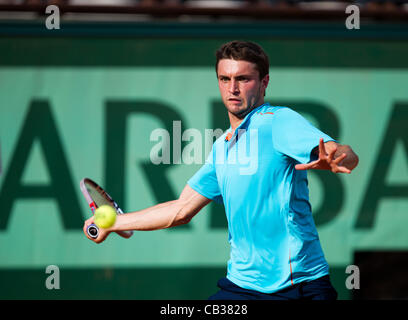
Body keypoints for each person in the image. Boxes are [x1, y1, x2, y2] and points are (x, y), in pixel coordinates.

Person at [83, 40, 359, 300]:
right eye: (225, 79)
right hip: (241, 286)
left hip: (298, 286)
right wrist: (113, 222)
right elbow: (181, 210)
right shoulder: (222, 148)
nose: (232, 89)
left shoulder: (279, 121)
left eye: (243, 79)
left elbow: (343, 152)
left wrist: (339, 158)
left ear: (264, 83)